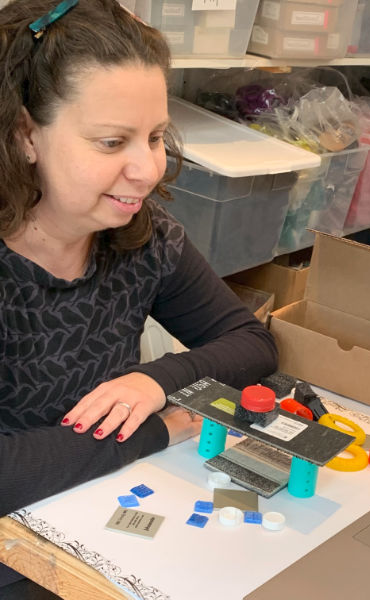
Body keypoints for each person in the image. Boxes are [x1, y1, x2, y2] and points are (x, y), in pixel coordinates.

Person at [0, 0, 278, 518]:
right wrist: (157, 429)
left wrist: (154, 381)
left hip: (98, 501)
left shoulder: (139, 237)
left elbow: (252, 345)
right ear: (25, 137)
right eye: (111, 142)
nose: (148, 170)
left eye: (154, 137)